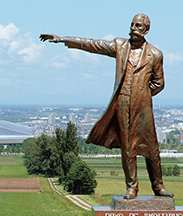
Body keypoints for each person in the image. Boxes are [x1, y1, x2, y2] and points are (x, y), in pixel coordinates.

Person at [40, 13, 173, 199]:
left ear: (146, 30)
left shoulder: (155, 54)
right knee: (127, 148)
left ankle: (158, 186)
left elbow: (159, 83)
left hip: (143, 108)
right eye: (132, 24)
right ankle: (132, 187)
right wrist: (62, 39)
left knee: (151, 148)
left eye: (138, 26)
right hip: (122, 103)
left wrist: (142, 94)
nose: (134, 28)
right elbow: (92, 44)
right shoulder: (120, 46)